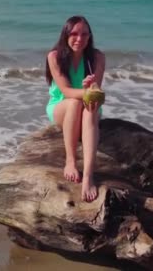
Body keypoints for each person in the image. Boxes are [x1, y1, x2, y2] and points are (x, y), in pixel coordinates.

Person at [45, 15, 105, 202]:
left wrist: (91, 88)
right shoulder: (54, 56)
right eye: (74, 34)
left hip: (87, 104)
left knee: (89, 108)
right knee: (75, 102)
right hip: (62, 106)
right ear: (65, 35)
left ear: (90, 36)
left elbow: (97, 92)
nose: (80, 39)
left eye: (85, 34)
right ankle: (70, 160)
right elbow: (65, 91)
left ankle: (88, 175)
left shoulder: (97, 57)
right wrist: (86, 92)